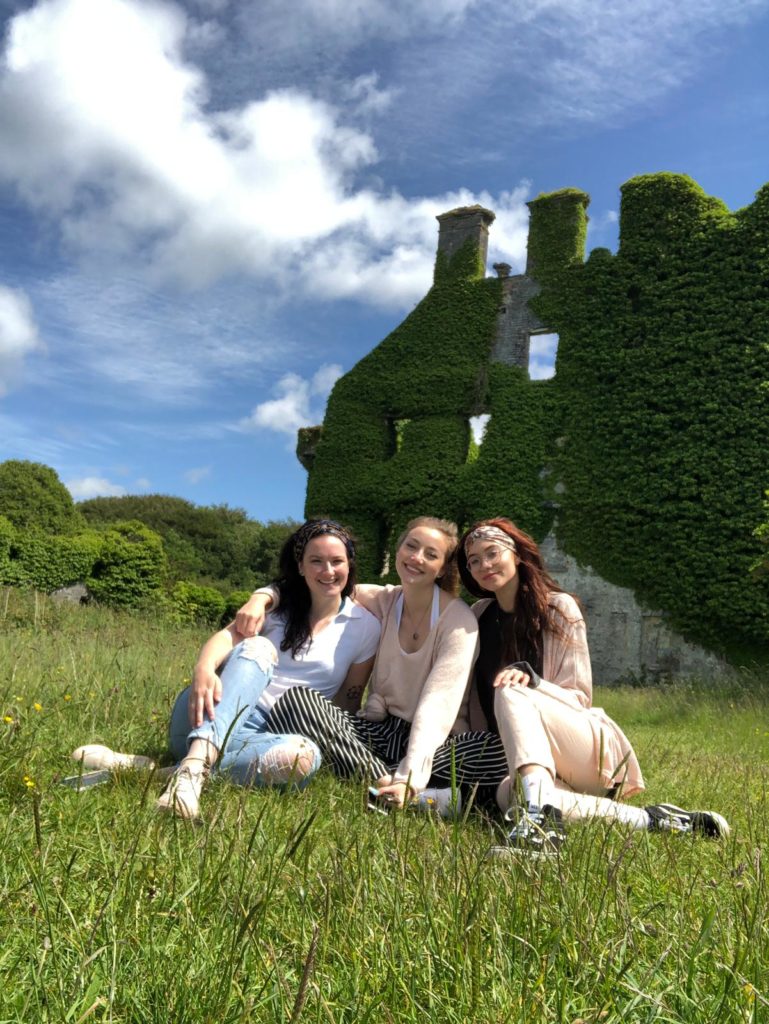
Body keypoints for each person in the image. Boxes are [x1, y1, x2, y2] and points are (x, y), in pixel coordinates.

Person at [448, 518, 729, 854]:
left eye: (492, 553)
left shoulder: (557, 608)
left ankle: (540, 826)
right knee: (510, 795)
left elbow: (579, 698)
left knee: (512, 687)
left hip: (581, 753)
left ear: (518, 554)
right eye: (474, 561)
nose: (484, 565)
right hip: (525, 763)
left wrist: (533, 684)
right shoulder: (478, 615)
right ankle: (659, 821)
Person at [72, 519, 380, 819]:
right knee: (258, 646)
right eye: (316, 561)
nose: (328, 571)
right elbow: (225, 638)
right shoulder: (275, 609)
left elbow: (346, 703)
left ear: (350, 565)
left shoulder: (365, 627)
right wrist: (205, 668)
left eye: (336, 561)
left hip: (267, 738)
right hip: (208, 714)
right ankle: (193, 769)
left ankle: (157, 772)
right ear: (300, 566)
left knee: (304, 757)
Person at [236, 517, 481, 809]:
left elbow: (438, 706)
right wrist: (261, 597)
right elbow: (318, 585)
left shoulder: (458, 621)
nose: (417, 558)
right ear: (399, 549)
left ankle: (405, 788)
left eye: (431, 554)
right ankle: (388, 785)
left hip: (436, 742)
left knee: (491, 752)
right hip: (380, 732)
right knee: (295, 702)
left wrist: (410, 775)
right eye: (411, 546)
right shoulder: (384, 599)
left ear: (443, 567)